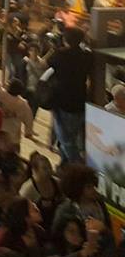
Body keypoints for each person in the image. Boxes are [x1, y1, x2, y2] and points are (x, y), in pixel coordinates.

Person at [45, 27, 92, 164]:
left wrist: (53, 49)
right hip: (80, 100)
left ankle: (77, 165)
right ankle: (64, 166)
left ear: (65, 39)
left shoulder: (60, 55)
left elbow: (45, 64)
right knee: (71, 136)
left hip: (62, 101)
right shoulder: (87, 56)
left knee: (66, 140)